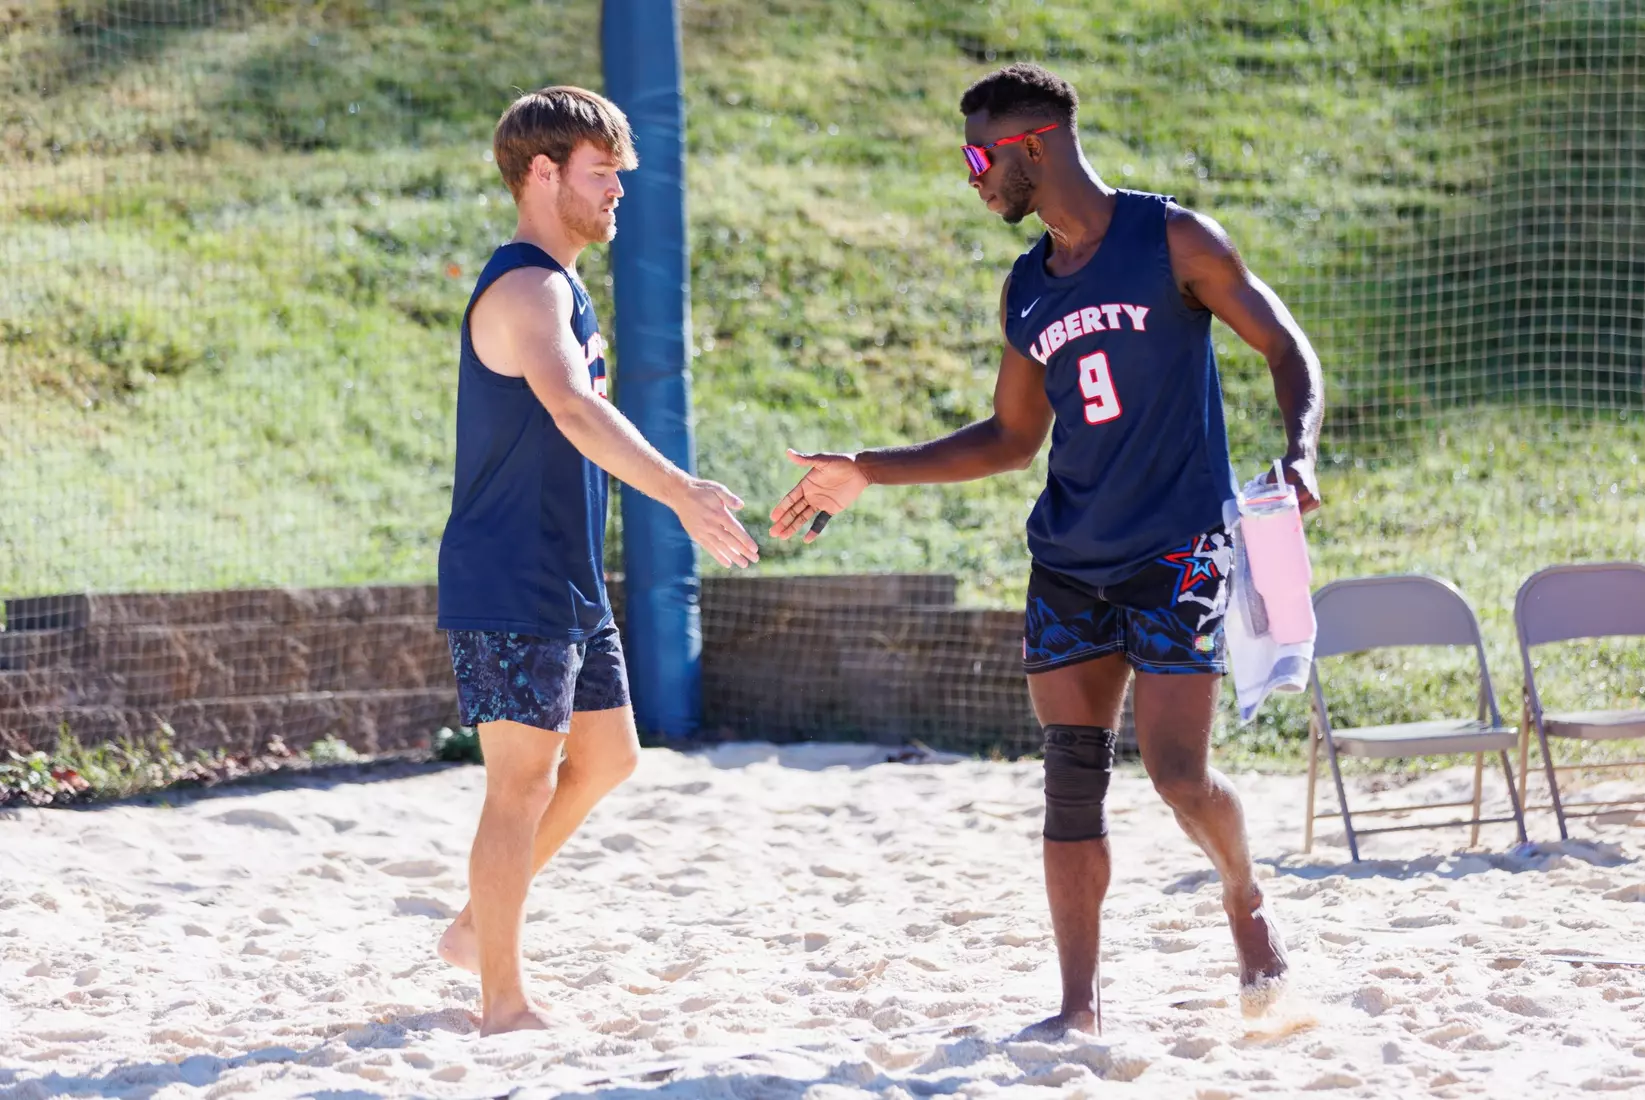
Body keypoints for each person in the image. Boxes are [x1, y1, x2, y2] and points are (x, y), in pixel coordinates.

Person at [770, 63, 1323, 1036]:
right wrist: (867, 468)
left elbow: (1284, 345)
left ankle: (1244, 894)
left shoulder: (1172, 238)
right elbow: (1010, 437)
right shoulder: (1027, 286)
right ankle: (1078, 1005)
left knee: (1179, 774)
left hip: (1181, 548)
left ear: (1037, 143)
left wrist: (1300, 449)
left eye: (981, 156)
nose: (972, 176)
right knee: (1070, 778)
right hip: (1069, 556)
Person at [435, 86, 759, 1036]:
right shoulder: (527, 286)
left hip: (565, 573)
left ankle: (471, 928)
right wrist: (681, 491)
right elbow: (576, 413)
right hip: (509, 574)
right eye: (602, 171)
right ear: (543, 173)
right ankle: (502, 1000)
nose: (619, 189)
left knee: (610, 758)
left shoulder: (563, 284)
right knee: (520, 785)